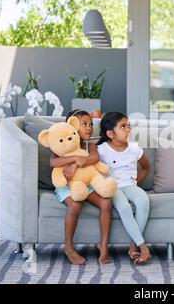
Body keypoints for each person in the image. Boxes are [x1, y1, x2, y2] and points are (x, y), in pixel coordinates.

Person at [50, 109, 113, 265]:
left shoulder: (89, 145)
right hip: (66, 184)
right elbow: (53, 162)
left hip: (86, 184)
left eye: (91, 124)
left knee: (106, 202)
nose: (89, 127)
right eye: (84, 124)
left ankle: (103, 245)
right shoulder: (60, 142)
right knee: (75, 205)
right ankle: (69, 248)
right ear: (71, 126)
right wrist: (75, 159)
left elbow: (94, 158)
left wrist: (76, 163)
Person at [97, 112, 152, 265]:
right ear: (110, 133)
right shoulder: (101, 150)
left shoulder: (134, 148)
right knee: (124, 207)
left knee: (143, 201)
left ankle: (134, 245)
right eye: (123, 126)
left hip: (130, 185)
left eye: (128, 125)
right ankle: (143, 247)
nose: (128, 129)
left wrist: (135, 181)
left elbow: (147, 167)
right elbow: (94, 171)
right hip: (113, 188)